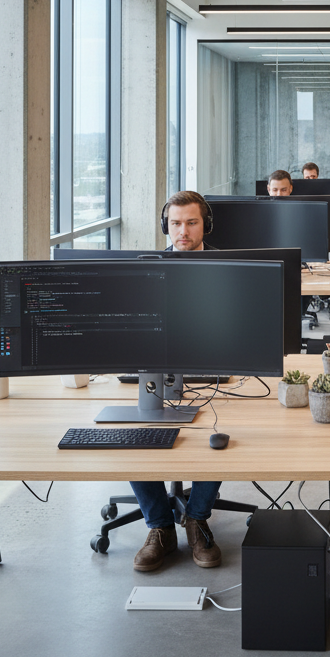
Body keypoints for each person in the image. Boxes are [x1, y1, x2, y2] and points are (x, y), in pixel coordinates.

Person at [130, 190, 222, 572]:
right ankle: (160, 526)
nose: (182, 231)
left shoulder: (229, 267)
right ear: (166, 226)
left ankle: (197, 518)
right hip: (152, 366)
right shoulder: (144, 268)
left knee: (217, 432)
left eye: (192, 222)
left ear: (206, 225)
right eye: (175, 223)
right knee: (136, 429)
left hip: (214, 366)